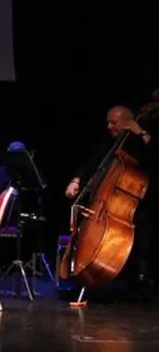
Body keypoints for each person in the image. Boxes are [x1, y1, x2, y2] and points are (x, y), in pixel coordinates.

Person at [64, 105, 155, 291]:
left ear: (128, 123)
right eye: (108, 122)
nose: (109, 126)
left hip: (139, 207)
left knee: (141, 236)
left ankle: (135, 282)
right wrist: (76, 180)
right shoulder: (110, 144)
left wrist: (141, 133)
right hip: (103, 207)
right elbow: (92, 164)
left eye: (114, 123)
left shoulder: (140, 144)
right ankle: (89, 277)